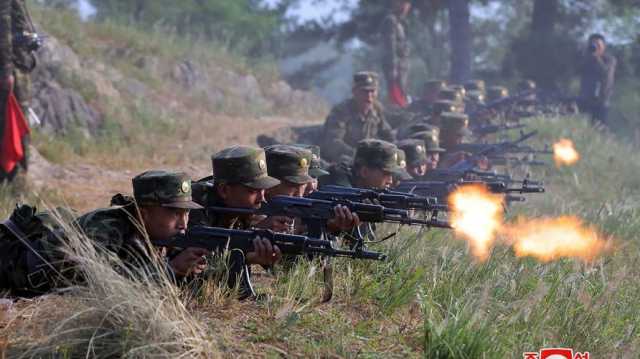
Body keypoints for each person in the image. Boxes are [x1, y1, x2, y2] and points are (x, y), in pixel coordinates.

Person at [0, 170, 210, 296]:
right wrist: (170, 270)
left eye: (187, 214)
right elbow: (109, 285)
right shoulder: (105, 228)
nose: (183, 223)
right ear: (144, 213)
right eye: (174, 213)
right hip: (10, 268)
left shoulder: (158, 235)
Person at [189, 146, 283, 298]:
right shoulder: (196, 206)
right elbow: (196, 271)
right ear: (224, 190)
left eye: (263, 190)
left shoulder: (243, 206)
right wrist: (245, 256)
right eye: (253, 190)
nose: (262, 198)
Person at [0, 0, 38, 183]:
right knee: (14, 123)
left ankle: (17, 175)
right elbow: (4, 31)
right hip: (12, 69)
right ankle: (14, 177)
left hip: (18, 64)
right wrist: (7, 71)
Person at [321, 71, 395, 163]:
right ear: (354, 92)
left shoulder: (376, 110)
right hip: (344, 161)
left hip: (368, 162)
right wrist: (358, 154)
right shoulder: (341, 112)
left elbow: (388, 136)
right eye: (364, 91)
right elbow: (333, 143)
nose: (369, 96)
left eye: (372, 91)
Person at [320, 139, 406, 190]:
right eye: (386, 174)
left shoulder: (362, 186)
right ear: (364, 172)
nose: (390, 181)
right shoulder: (340, 184)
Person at [579, 33, 616, 126]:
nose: (595, 47)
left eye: (598, 45)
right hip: (586, 99)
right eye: (593, 45)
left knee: (600, 128)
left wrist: (597, 58)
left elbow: (605, 73)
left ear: (604, 46)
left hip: (601, 101)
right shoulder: (586, 59)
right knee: (584, 127)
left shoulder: (610, 59)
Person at [381, 0, 412, 107]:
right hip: (395, 67)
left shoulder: (402, 23)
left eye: (406, 3)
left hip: (402, 67)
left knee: (402, 96)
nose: (404, 6)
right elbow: (390, 46)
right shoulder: (391, 21)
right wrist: (392, 69)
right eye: (401, 2)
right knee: (396, 99)